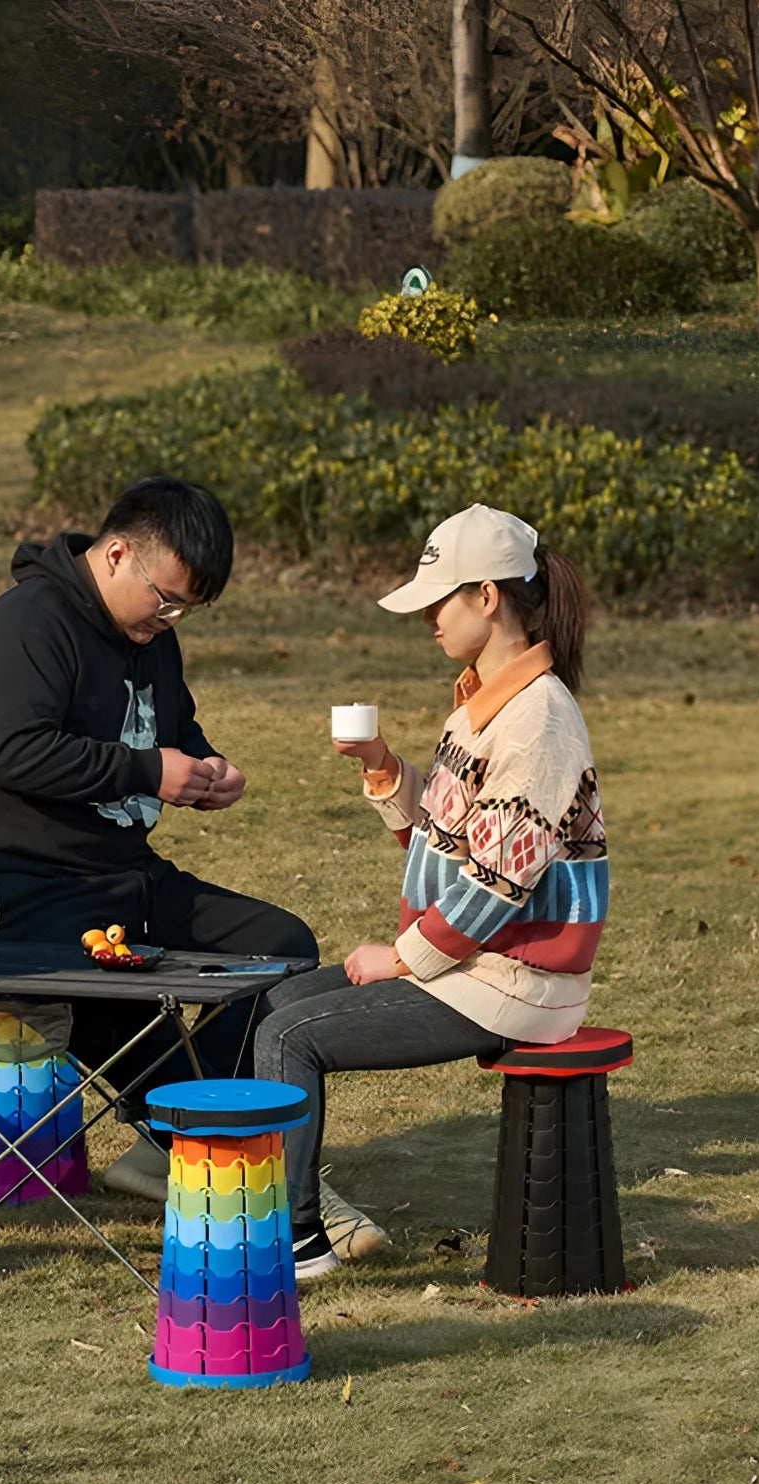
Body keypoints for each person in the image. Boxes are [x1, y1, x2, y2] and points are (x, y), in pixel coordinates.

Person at [0, 478, 384, 1256]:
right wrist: (149, 774)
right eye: (166, 600)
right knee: (131, 1011)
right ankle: (224, 1156)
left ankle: (165, 1141)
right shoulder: (25, 625)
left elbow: (173, 728)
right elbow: (12, 755)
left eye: (186, 611)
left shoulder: (149, 638)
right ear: (116, 554)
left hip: (124, 875)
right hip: (26, 888)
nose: (170, 620)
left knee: (283, 945)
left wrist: (207, 770)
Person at [253, 504, 607, 1279]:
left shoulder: (538, 722)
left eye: (436, 602)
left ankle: (297, 1241)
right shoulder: (482, 703)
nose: (427, 621)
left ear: (487, 596)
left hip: (515, 983)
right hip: (480, 966)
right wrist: (383, 765)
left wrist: (404, 959)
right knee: (275, 1007)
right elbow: (442, 844)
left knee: (290, 1038)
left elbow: (499, 885)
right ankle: (288, 1209)